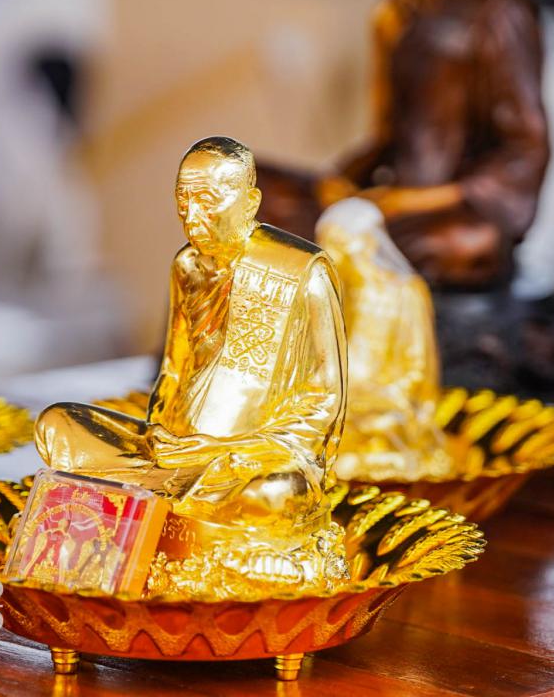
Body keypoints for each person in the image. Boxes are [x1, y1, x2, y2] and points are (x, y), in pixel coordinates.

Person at [35, 136, 347, 594]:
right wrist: (160, 434)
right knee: (57, 424)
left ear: (250, 202)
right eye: (182, 200)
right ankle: (169, 490)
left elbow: (325, 400)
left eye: (207, 199)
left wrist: (229, 451)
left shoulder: (301, 270)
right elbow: (174, 371)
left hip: (246, 462)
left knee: (276, 494)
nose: (191, 214)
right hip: (176, 452)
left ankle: (152, 495)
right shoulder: (187, 267)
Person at [257, 0, 549, 288]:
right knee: (250, 186)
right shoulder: (390, 17)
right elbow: (389, 136)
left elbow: (526, 148)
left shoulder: (495, 8)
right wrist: (347, 180)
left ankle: (352, 250)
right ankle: (350, 246)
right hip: (388, 202)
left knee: (466, 242)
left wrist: (413, 201)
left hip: (445, 212)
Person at [316, 198, 449, 481]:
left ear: (367, 243)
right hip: (342, 395)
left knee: (379, 426)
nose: (331, 253)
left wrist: (382, 396)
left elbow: (418, 367)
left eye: (338, 244)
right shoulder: (334, 293)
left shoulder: (406, 292)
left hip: (386, 400)